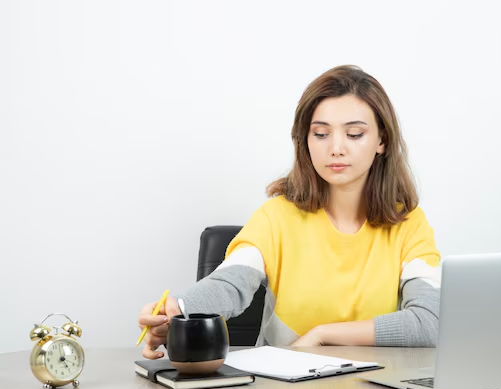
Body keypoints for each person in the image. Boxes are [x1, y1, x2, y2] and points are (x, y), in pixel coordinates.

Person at [138, 65, 441, 360]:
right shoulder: (276, 217)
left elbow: (429, 322)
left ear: (382, 141)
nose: (336, 148)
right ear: (305, 141)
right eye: (321, 134)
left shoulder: (409, 225)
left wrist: (325, 334)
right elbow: (230, 284)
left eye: (354, 134)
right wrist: (178, 308)